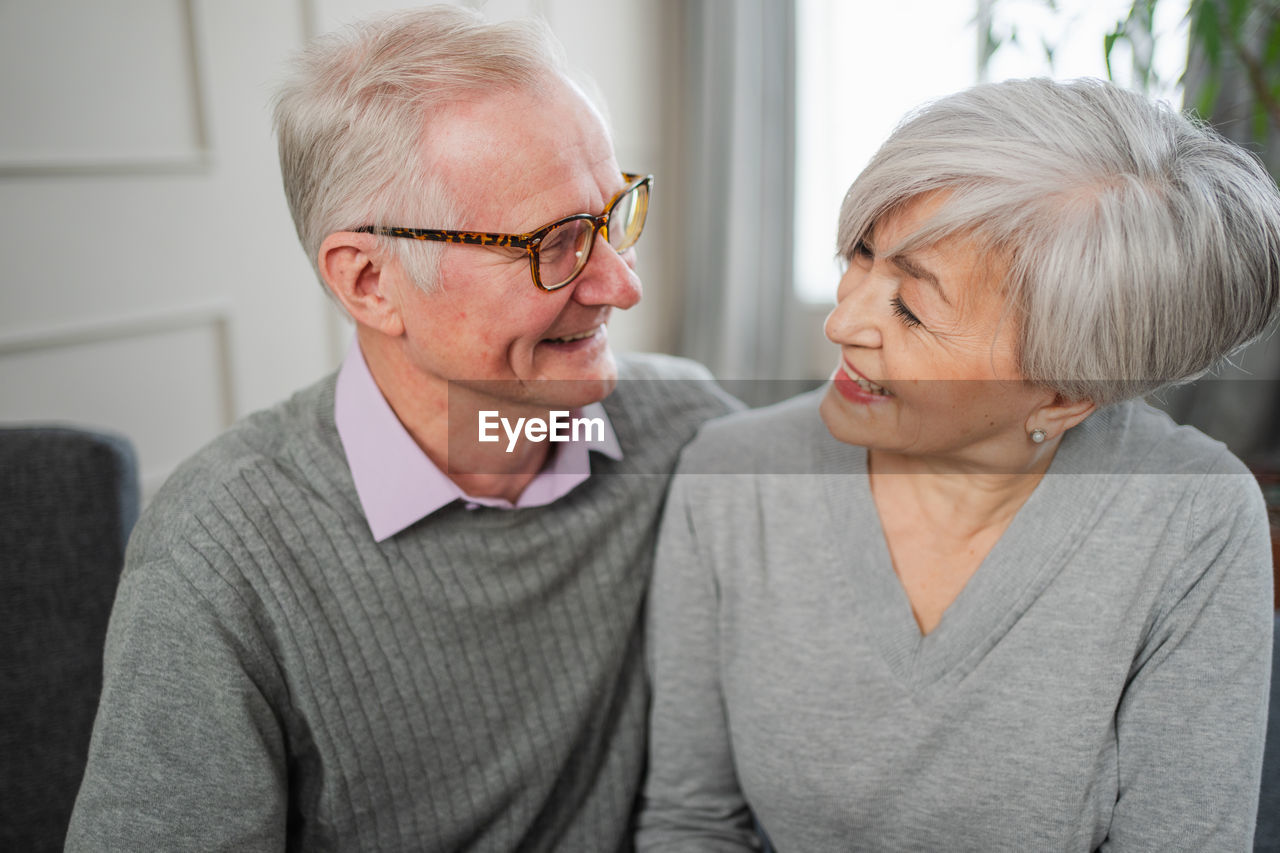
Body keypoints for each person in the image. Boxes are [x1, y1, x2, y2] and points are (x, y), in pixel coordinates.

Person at [65, 7, 736, 851]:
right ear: (371, 280)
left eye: (615, 217)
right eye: (557, 243)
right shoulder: (220, 551)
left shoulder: (686, 429)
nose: (621, 284)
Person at [637, 78, 1279, 851]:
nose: (844, 321)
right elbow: (691, 821)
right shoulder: (732, 476)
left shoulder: (1193, 519)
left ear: (1067, 393)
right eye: (861, 255)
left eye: (911, 309)